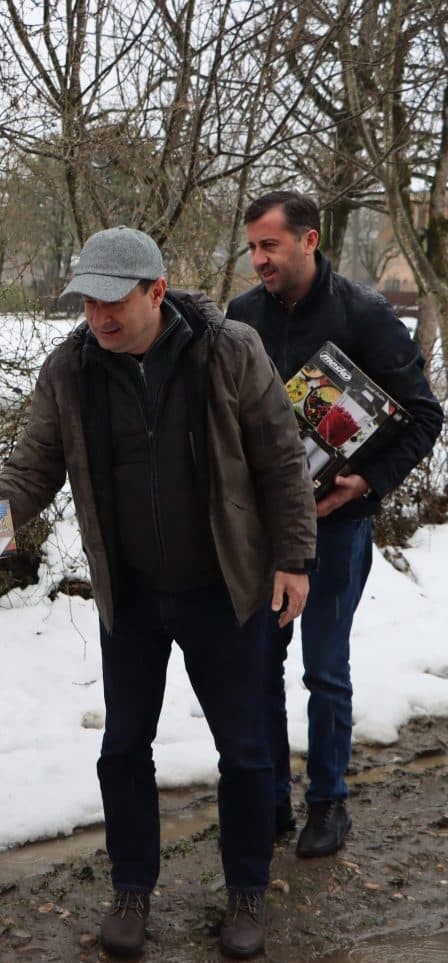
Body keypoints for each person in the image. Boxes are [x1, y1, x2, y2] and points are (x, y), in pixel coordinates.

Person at [0, 226, 317, 959]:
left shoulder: (229, 351)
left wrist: (294, 556)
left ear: (155, 292)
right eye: (87, 300)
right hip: (129, 593)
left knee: (247, 749)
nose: (98, 316)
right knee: (124, 746)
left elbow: (282, 458)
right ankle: (132, 889)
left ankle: (247, 891)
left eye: (112, 301)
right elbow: (30, 471)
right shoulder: (71, 370)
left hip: (225, 588)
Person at [227, 190, 444, 857]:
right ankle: (270, 803)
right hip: (262, 528)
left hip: (338, 524)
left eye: (271, 245)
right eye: (253, 246)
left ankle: (329, 804)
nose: (258, 258)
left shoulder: (366, 314)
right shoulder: (241, 318)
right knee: (259, 665)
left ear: (310, 240)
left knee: (324, 668)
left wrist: (369, 481)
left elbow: (425, 415)